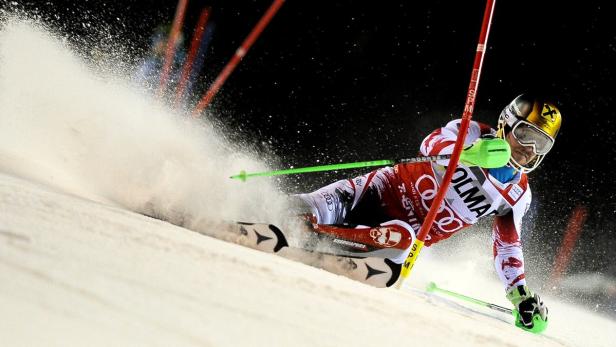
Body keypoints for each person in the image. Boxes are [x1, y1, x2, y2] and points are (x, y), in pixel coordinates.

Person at [295, 94, 562, 330]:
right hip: (380, 190)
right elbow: (429, 144)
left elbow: (507, 247)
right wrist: (468, 153)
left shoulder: (517, 195)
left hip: (400, 238)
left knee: (402, 238)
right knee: (313, 205)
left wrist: (519, 295)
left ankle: (326, 239)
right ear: (507, 122)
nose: (530, 149)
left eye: (542, 144)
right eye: (527, 135)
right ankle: (293, 220)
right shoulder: (472, 133)